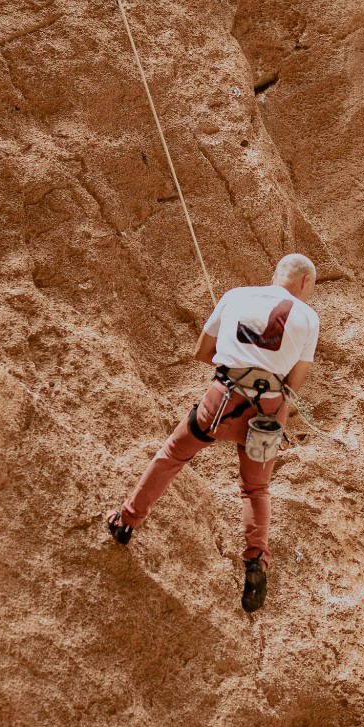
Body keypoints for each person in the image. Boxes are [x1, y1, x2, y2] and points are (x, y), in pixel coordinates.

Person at [107, 254, 320, 612]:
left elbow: (202, 352)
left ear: (276, 275)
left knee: (173, 455)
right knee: (255, 488)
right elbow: (295, 383)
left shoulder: (236, 295)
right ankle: (256, 561)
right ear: (304, 283)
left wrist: (234, 365)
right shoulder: (308, 317)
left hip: (221, 400)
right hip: (267, 411)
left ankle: (126, 521)